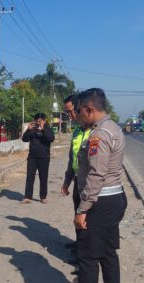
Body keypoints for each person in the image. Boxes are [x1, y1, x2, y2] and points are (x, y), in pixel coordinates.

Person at [48, 88, 127, 283]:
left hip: (100, 202)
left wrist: (82, 209)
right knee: (107, 253)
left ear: (90, 109)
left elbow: (96, 175)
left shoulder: (99, 135)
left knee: (88, 257)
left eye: (80, 111)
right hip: (114, 198)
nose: (77, 116)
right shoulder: (113, 128)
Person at [61, 95, 92, 255]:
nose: (70, 116)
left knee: (86, 220)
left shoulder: (94, 131)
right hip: (76, 181)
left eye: (71, 111)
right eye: (67, 113)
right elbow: (72, 158)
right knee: (77, 215)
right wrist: (67, 181)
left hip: (89, 184)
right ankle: (79, 246)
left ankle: (84, 257)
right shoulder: (77, 131)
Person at [21, 113, 55, 204]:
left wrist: (43, 129)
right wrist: (28, 130)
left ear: (44, 120)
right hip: (32, 157)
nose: (38, 123)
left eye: (39, 121)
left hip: (44, 157)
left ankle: (43, 197)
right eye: (36, 121)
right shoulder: (32, 129)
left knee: (43, 177)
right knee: (30, 177)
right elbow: (24, 139)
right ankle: (28, 197)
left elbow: (51, 138)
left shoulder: (48, 129)